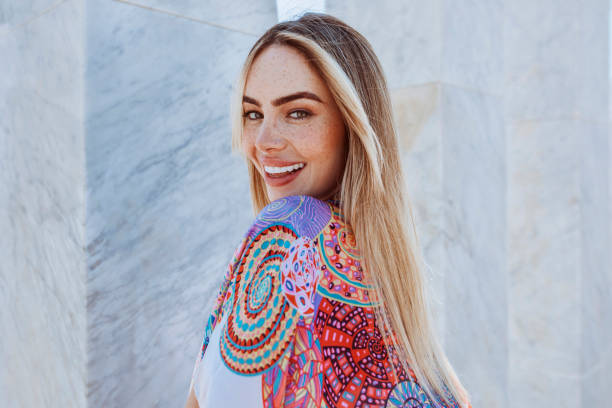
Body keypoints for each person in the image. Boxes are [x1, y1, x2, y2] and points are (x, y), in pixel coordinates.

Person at [184, 12, 472, 408]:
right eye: (254, 114)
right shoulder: (409, 324)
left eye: (297, 112)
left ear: (352, 124)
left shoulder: (287, 232)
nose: (263, 141)